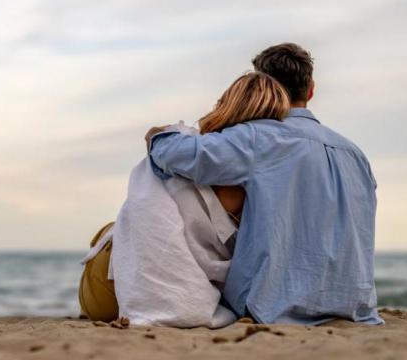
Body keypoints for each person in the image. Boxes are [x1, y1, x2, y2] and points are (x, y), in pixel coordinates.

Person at [148, 43, 382, 325]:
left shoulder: (259, 139)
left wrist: (158, 136)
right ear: (310, 90)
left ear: (265, 87)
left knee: (156, 174)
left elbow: (178, 155)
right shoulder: (355, 154)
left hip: (273, 308)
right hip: (355, 310)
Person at [79, 72, 290, 327]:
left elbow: (155, 139)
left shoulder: (189, 148)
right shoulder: (277, 171)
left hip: (117, 282)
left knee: (114, 230)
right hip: (124, 277)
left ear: (228, 105)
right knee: (114, 231)